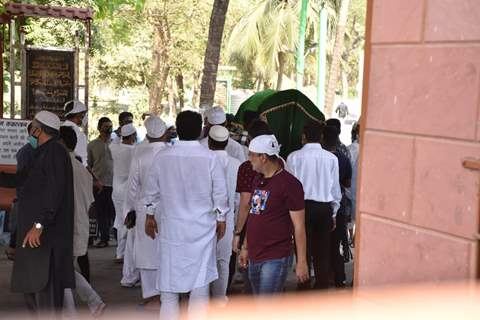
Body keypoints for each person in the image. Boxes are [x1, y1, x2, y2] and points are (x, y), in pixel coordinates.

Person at [143, 110, 229, 320]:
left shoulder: (162, 157)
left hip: (172, 229)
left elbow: (150, 191)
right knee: (199, 289)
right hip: (202, 230)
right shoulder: (209, 158)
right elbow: (220, 193)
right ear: (201, 130)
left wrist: (149, 214)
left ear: (176, 130)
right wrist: (221, 218)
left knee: (169, 291)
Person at [11, 111, 75, 316]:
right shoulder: (40, 152)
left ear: (38, 130)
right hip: (33, 238)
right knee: (33, 290)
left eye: (33, 126)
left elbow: (54, 194)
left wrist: (39, 225)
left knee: (46, 296)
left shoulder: (55, 152)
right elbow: (20, 180)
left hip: (45, 238)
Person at [238, 134, 309, 295]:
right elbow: (253, 214)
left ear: (263, 157)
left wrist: (302, 262)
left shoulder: (290, 184)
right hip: (255, 254)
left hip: (275, 256)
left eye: (251, 155)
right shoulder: (258, 179)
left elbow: (299, 226)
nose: (249, 159)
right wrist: (245, 247)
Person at [287, 122, 342, 290]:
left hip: (301, 208)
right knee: (322, 251)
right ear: (322, 137)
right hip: (324, 208)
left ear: (304, 136)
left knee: (302, 249)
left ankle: (303, 286)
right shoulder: (332, 158)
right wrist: (334, 212)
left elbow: (289, 188)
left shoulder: (293, 157)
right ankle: (321, 287)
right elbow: (335, 189)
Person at [59, 126, 106, 318]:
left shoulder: (61, 167)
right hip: (79, 225)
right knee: (65, 269)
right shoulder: (83, 170)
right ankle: (94, 302)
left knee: (61, 272)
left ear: (60, 143)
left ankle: (74, 312)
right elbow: (90, 203)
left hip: (65, 227)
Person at [124, 116, 169, 306]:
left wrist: (130, 210)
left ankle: (151, 294)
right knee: (164, 249)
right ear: (165, 133)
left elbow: (132, 187)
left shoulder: (140, 155)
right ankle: (166, 292)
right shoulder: (171, 153)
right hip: (167, 209)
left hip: (144, 208)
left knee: (147, 250)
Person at [231, 120, 272, 293]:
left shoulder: (248, 168)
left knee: (252, 282)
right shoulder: (281, 163)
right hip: (276, 228)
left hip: (253, 228)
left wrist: (238, 233)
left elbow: (247, 204)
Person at [207, 125, 241, 304]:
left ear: (209, 142)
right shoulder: (237, 164)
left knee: (204, 258)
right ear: (227, 142)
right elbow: (237, 197)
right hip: (227, 218)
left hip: (204, 218)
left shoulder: (203, 161)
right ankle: (220, 298)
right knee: (223, 259)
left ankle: (201, 297)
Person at [323, 125, 352, 288]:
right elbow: (347, 182)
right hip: (338, 206)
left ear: (322, 138)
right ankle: (339, 277)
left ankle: (324, 276)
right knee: (337, 244)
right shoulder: (343, 158)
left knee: (322, 244)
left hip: (321, 205)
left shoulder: (319, 157)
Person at [110, 123, 137, 262]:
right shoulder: (134, 151)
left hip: (116, 191)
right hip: (128, 191)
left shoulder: (114, 148)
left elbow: (114, 139)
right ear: (132, 136)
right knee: (127, 221)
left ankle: (120, 252)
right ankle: (121, 252)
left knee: (120, 219)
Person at [87, 117, 115, 248]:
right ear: (99, 128)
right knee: (101, 213)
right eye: (105, 126)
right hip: (99, 185)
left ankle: (118, 240)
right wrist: (95, 181)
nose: (108, 129)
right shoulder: (92, 145)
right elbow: (88, 165)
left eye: (110, 126)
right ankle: (104, 239)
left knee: (114, 213)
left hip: (114, 184)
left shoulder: (116, 144)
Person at [63, 100, 88, 166]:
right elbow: (83, 161)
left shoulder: (59, 129)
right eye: (84, 114)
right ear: (79, 115)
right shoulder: (80, 135)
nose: (85, 117)